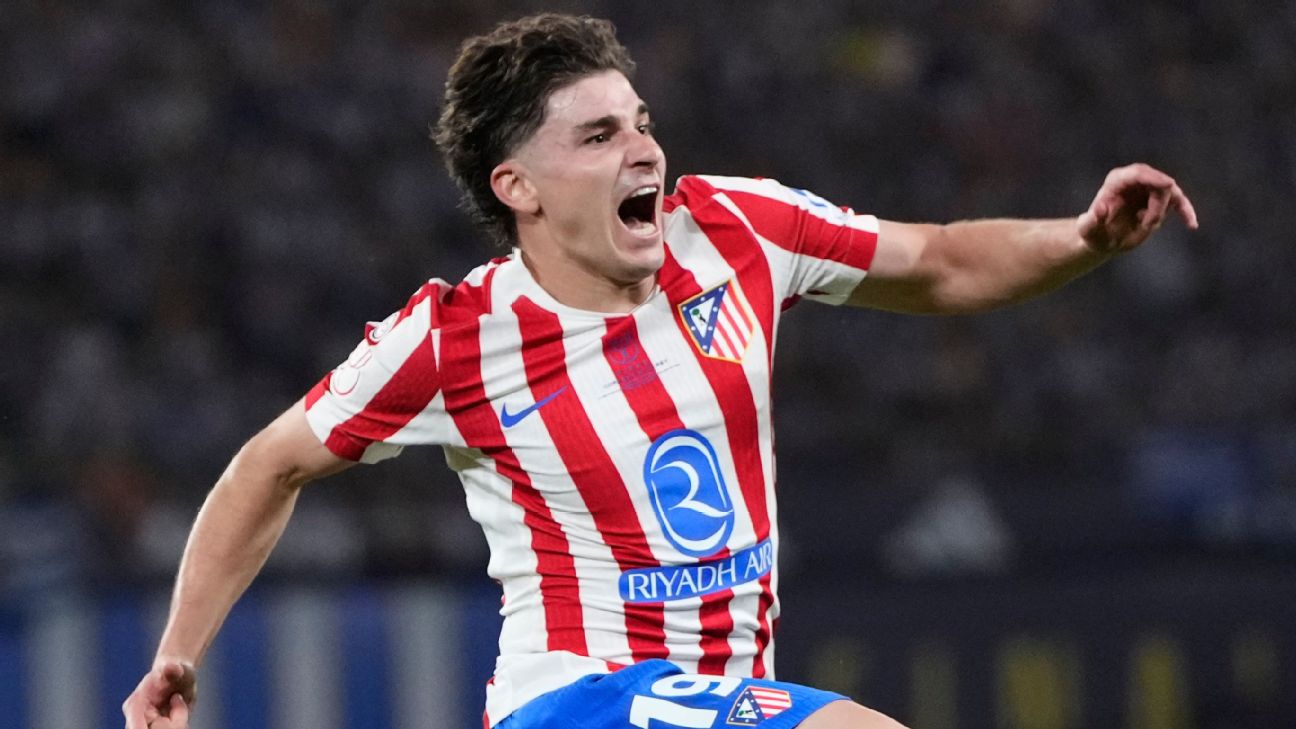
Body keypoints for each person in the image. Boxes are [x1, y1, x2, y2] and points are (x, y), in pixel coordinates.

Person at [121, 13, 1197, 729]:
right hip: (575, 701)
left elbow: (942, 261)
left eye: (641, 123)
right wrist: (179, 653)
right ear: (519, 187)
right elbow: (267, 465)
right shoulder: (455, 337)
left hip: (723, 694)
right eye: (598, 137)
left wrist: (1082, 239)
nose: (643, 150)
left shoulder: (734, 229)